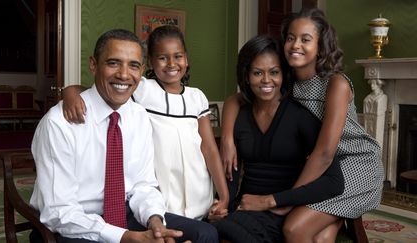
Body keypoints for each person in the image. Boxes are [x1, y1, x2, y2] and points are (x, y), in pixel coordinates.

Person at [29, 28, 218, 243]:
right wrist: (126, 238)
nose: (124, 74)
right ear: (93, 64)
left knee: (206, 234)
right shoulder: (59, 123)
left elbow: (144, 185)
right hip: (73, 223)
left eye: (134, 65)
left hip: (125, 212)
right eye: (113, 63)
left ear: (142, 70)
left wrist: (155, 221)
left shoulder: (138, 116)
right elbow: (59, 212)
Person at [220, 8, 384, 243]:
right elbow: (236, 99)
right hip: (325, 167)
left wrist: (285, 200)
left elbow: (325, 152)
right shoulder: (290, 80)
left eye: (305, 39)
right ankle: (333, 221)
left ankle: (333, 218)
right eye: (290, 38)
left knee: (294, 228)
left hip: (356, 164)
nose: (296, 44)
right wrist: (227, 137)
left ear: (321, 46)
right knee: (321, 237)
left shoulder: (336, 84)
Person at [212, 35, 344, 243]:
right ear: (246, 76)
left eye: (274, 72)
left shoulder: (301, 116)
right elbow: (232, 175)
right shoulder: (240, 115)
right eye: (257, 73)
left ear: (283, 75)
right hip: (246, 207)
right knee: (211, 229)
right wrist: (222, 206)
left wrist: (274, 202)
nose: (266, 80)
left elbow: (334, 182)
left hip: (283, 211)